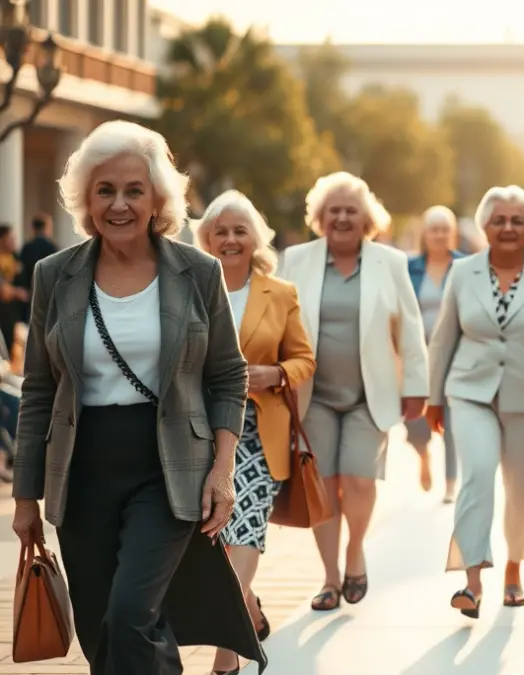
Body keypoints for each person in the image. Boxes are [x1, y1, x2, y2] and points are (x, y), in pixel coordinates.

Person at [11, 120, 265, 674]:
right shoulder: (55, 275)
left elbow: (227, 376)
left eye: (134, 190)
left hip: (168, 466)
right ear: (85, 199)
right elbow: (37, 393)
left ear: (157, 199)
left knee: (131, 613)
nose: (119, 205)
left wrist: (222, 471)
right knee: (102, 628)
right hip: (81, 469)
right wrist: (25, 498)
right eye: (105, 190)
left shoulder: (197, 273)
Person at [278, 171, 429, 612]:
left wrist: (416, 387)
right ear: (320, 217)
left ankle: (355, 550)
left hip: (370, 395)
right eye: (334, 211)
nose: (342, 218)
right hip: (314, 397)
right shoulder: (296, 260)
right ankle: (328, 578)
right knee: (323, 485)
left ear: (367, 219)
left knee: (359, 479)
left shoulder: (390, 262)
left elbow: (411, 327)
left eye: (351, 211)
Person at [426, 185, 524, 617]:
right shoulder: (463, 272)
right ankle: (472, 581)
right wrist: (434, 397)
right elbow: (443, 338)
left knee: (522, 491)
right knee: (475, 475)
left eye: (517, 220)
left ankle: (513, 568)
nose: (508, 227)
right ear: (484, 227)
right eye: (499, 220)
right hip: (470, 391)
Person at [192, 190, 317, 674]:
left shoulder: (280, 293)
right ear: (206, 238)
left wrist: (278, 374)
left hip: (260, 432)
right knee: (212, 535)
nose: (229, 239)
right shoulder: (189, 286)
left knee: (246, 527)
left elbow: (305, 358)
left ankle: (227, 659)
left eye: (239, 230)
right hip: (201, 430)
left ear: (254, 238)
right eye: (220, 231)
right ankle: (249, 611)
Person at [405, 205, 465, 504]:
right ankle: (422, 452)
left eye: (445, 228)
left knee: (453, 421)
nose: (439, 234)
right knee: (415, 420)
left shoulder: (466, 266)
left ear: (452, 233)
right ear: (424, 234)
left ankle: (451, 483)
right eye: (434, 229)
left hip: (455, 358)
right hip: (417, 359)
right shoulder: (409, 268)